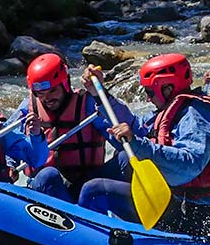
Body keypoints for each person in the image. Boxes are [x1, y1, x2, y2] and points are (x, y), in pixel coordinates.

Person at [77, 53, 210, 236]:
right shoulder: (170, 110)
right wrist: (98, 94)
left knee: (95, 191)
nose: (147, 99)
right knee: (122, 159)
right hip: (174, 198)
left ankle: (84, 241)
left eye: (150, 92)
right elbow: (136, 128)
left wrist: (137, 143)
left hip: (194, 213)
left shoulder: (195, 115)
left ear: (168, 88)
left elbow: (189, 165)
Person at [14, 53, 133, 201]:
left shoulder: (88, 103)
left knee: (126, 156)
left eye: (52, 91)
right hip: (47, 186)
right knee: (47, 175)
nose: (47, 98)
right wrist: (9, 165)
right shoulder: (28, 108)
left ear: (65, 84)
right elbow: (8, 142)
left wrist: (100, 93)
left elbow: (123, 132)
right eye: (40, 93)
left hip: (87, 180)